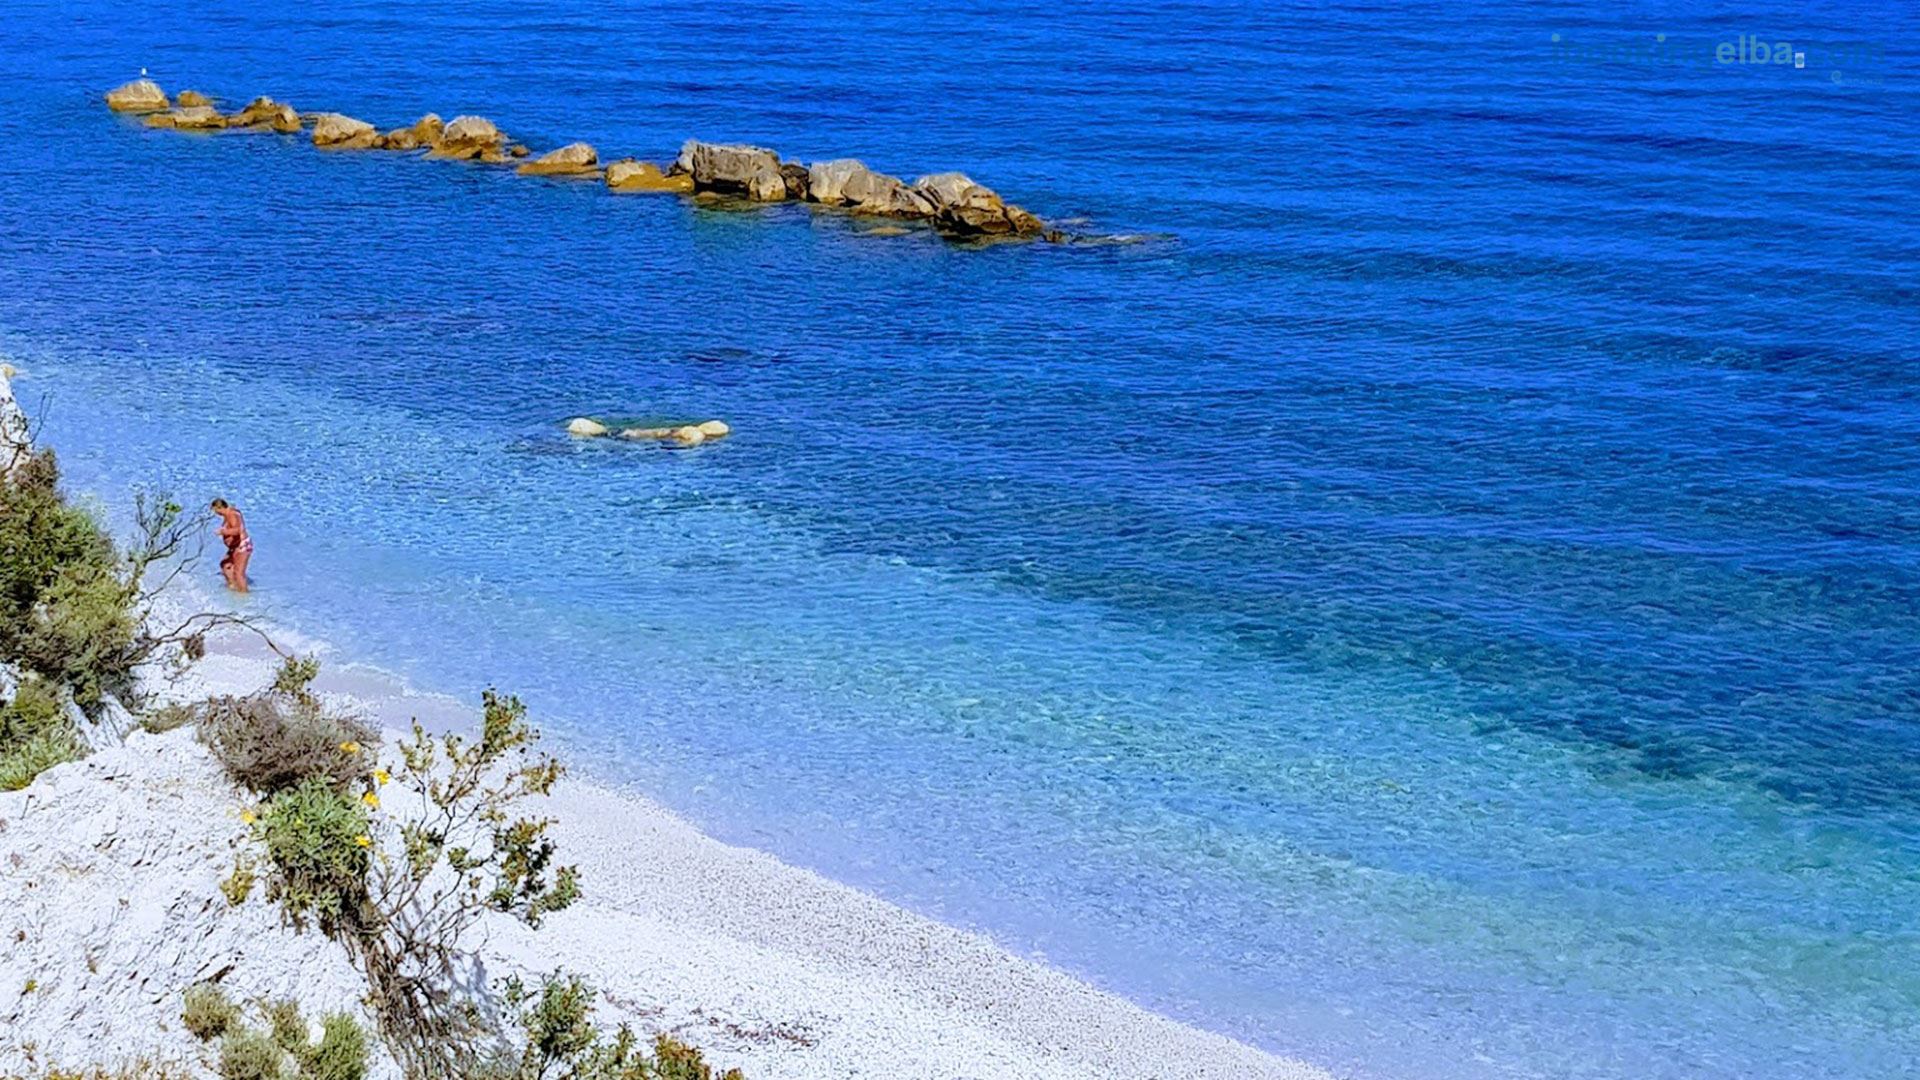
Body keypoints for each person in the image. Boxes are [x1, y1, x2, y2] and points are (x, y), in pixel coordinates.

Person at [211, 498, 252, 593]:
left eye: (216, 511)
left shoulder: (232, 514)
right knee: (225, 565)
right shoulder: (227, 514)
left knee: (239, 573)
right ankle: (233, 587)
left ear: (220, 508)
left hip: (242, 546)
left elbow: (237, 530)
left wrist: (223, 532)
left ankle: (244, 594)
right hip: (234, 547)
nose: (216, 514)